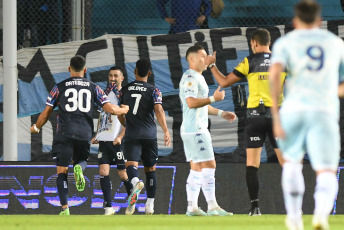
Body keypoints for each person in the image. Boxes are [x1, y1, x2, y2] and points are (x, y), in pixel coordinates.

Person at [269, 1, 344, 229]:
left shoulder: (285, 42)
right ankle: (321, 215)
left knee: (292, 162)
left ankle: (294, 217)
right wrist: (329, 90)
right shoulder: (336, 43)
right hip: (324, 110)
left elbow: (274, 76)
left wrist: (275, 114)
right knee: (327, 169)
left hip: (294, 109)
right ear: (320, 21)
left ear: (295, 21)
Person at [30, 55, 129, 215]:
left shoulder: (59, 87)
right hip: (84, 132)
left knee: (61, 170)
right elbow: (110, 108)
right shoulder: (93, 87)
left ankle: (65, 208)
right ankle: (79, 167)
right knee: (82, 160)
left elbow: (46, 112)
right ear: (85, 70)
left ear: (69, 69)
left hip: (64, 132)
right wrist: (124, 110)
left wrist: (36, 126)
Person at [206, 28, 287, 216]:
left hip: (255, 118)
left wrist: (212, 66)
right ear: (269, 43)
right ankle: (295, 209)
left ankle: (255, 208)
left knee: (252, 165)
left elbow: (224, 82)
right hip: (277, 117)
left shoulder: (250, 61)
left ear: (254, 43)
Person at [180, 45, 236, 216]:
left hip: (191, 129)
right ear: (192, 59)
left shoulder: (198, 77)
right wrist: (214, 97)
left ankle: (192, 207)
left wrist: (221, 112)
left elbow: (201, 106)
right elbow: (191, 102)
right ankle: (212, 206)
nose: (207, 58)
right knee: (210, 164)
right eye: (203, 56)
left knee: (196, 167)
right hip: (196, 129)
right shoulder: (190, 77)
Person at [119, 59, 171, 215]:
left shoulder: (124, 90)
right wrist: (166, 130)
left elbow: (120, 112)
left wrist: (125, 124)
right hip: (149, 134)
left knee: (130, 166)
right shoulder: (154, 90)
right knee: (150, 169)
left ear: (134, 71)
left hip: (133, 133)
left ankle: (135, 184)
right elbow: (159, 110)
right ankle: (150, 205)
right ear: (149, 73)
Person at [91, 66, 133, 215]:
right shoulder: (104, 94)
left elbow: (130, 121)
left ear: (122, 78)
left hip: (117, 141)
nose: (112, 78)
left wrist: (120, 136)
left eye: (116, 76)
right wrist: (97, 134)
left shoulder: (124, 95)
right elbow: (102, 116)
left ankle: (132, 199)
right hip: (104, 140)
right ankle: (108, 207)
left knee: (122, 174)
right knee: (103, 171)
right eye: (110, 76)